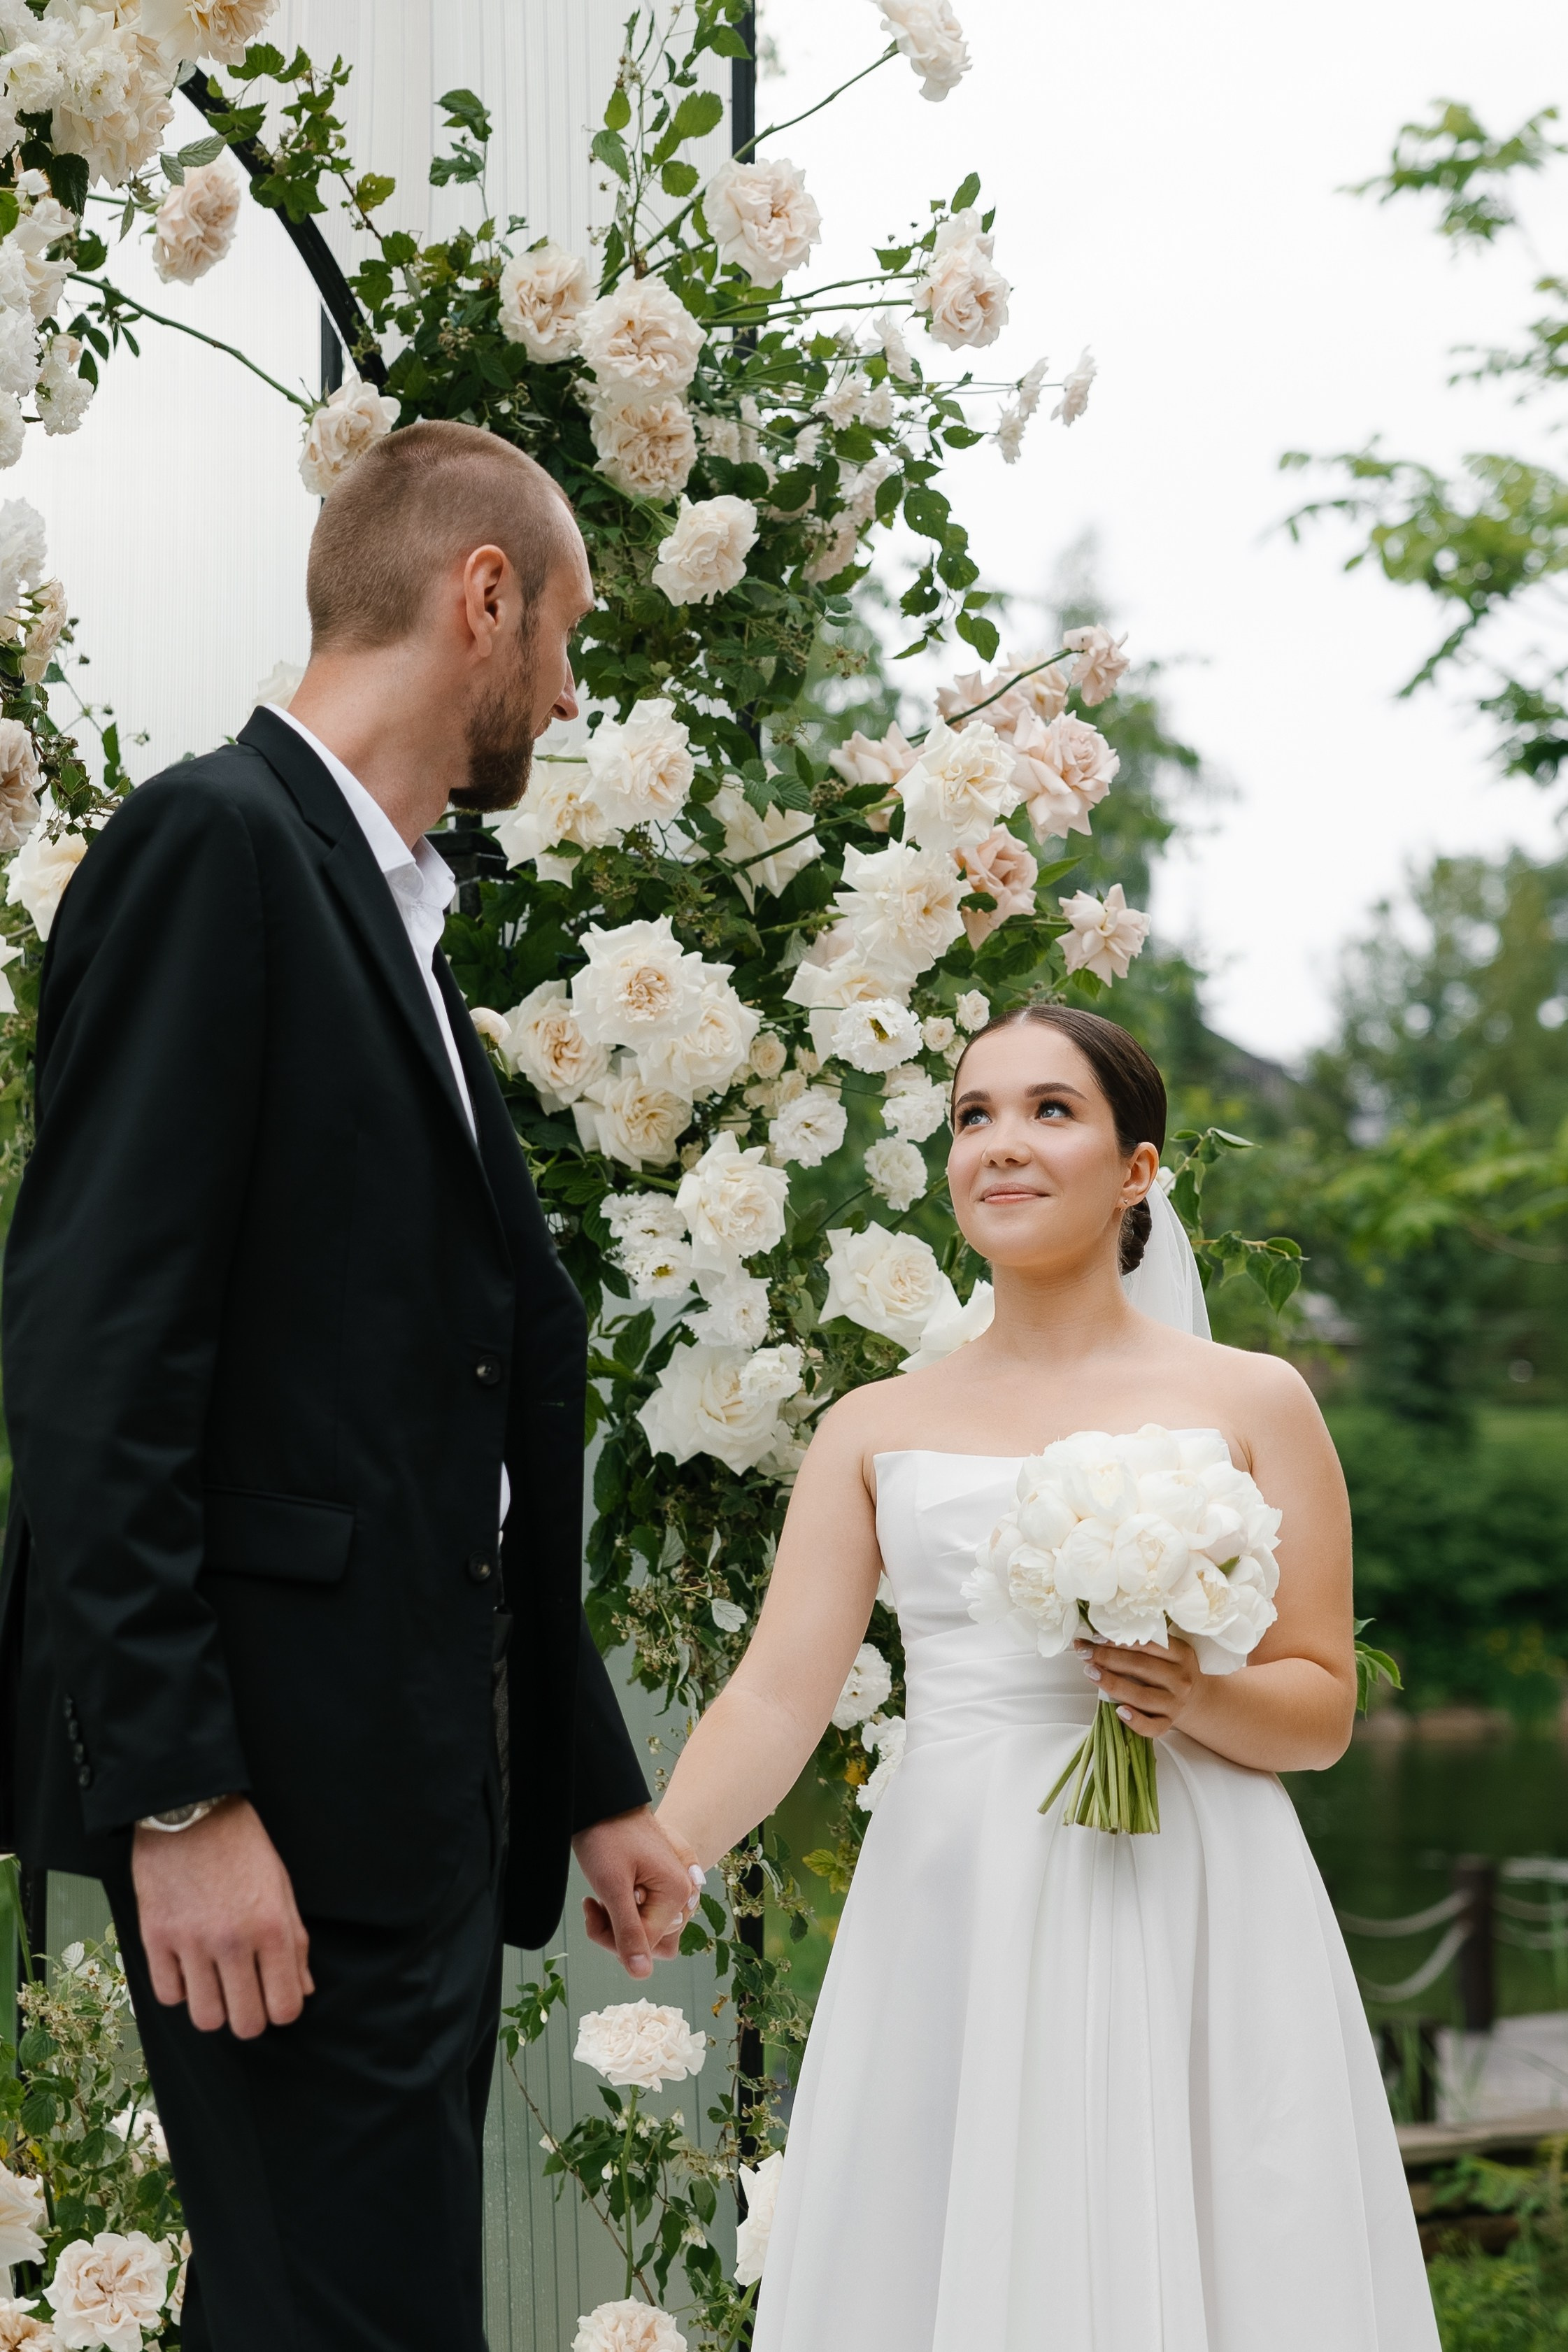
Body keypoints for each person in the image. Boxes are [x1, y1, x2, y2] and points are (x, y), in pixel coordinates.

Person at [0, 420, 699, 2352]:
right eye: (564, 641)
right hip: (274, 1802)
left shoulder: (388, 915)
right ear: (483, 594)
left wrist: (582, 1778)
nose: (566, 692)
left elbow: (429, 1423)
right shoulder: (214, 847)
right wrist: (181, 1796)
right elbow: (90, 1352)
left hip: (408, 1795)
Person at [657, 1004, 1439, 2351]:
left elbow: (1318, 1707)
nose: (999, 1145)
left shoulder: (1256, 1400)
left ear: (1137, 1169)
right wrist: (664, 1850)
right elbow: (779, 1697)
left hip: (1199, 1883)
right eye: (973, 1116)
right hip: (956, 1884)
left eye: (1049, 1111)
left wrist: (1194, 1697)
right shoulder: (874, 1425)